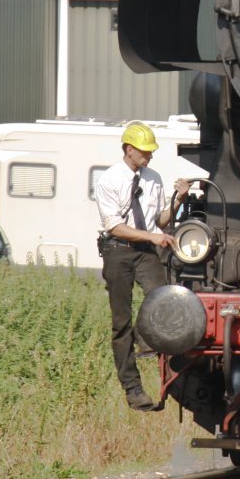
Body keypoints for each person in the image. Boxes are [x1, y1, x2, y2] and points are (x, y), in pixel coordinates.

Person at [94, 122, 190, 411]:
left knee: (161, 299)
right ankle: (133, 389)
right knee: (121, 323)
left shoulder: (154, 178)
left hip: (145, 250)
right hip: (117, 250)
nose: (149, 157)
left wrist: (179, 201)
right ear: (129, 149)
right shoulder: (109, 180)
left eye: (151, 152)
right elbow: (114, 226)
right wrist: (152, 236)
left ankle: (147, 339)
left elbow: (159, 221)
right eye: (145, 152)